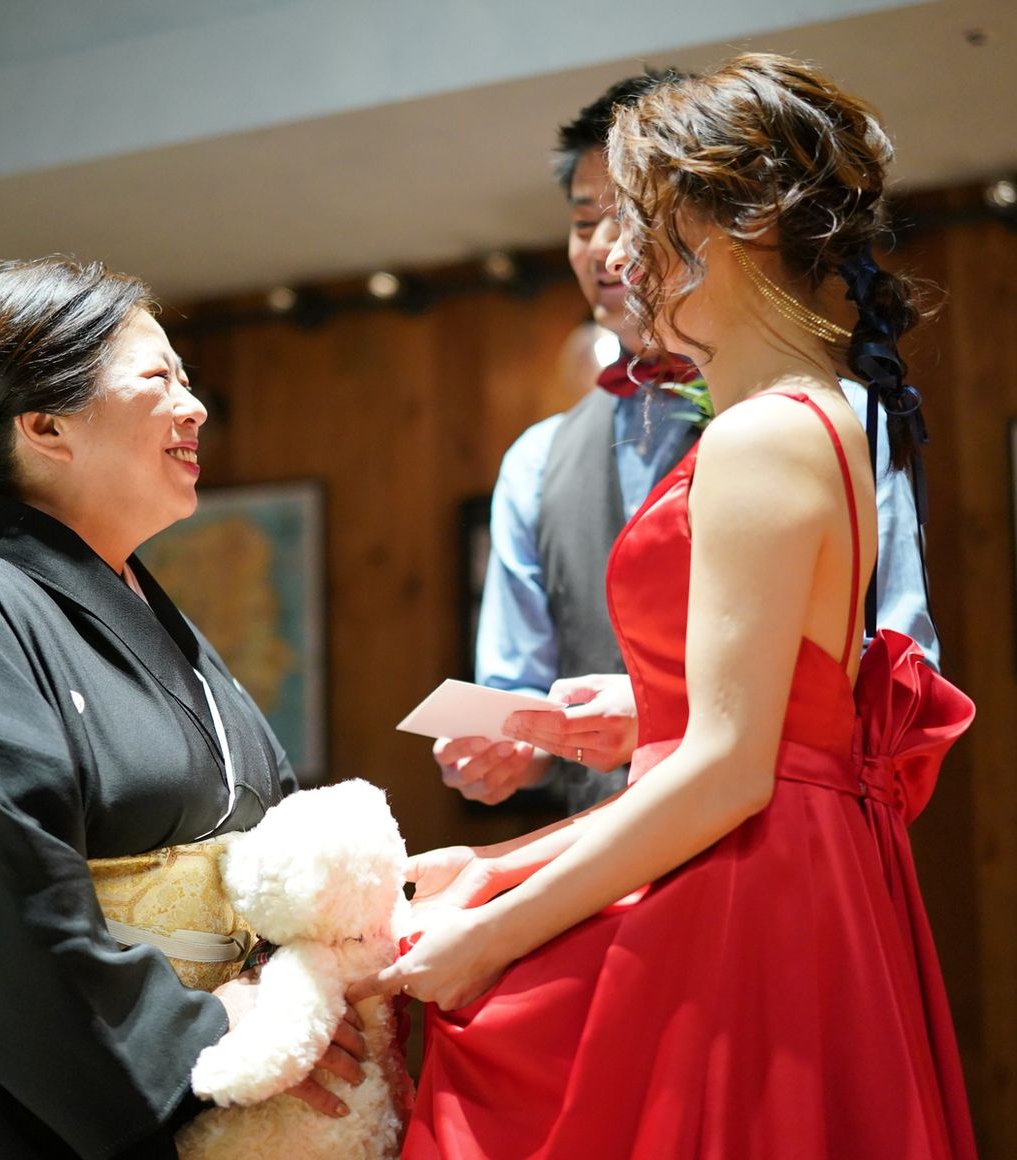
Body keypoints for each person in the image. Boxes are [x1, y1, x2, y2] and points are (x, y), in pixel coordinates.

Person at [356, 55, 977, 1158]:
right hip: (764, 859)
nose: (614, 253)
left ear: (736, 227)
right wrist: (499, 864)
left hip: (741, 883)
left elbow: (730, 769)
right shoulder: (815, 416)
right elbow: (765, 734)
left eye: (637, 217)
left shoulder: (761, 432)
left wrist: (492, 933)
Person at [0, 258, 364, 1159]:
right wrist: (207, 1035)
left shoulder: (163, 626)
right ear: (46, 426)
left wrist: (297, 991)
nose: (194, 406)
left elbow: (275, 836)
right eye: (159, 377)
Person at [435, 74, 939, 816]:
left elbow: (895, 670)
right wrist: (517, 745)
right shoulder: (537, 462)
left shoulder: (811, 422)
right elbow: (520, 689)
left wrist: (664, 716)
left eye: (632, 219)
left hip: (783, 828)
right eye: (585, 223)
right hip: (612, 836)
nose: (610, 251)